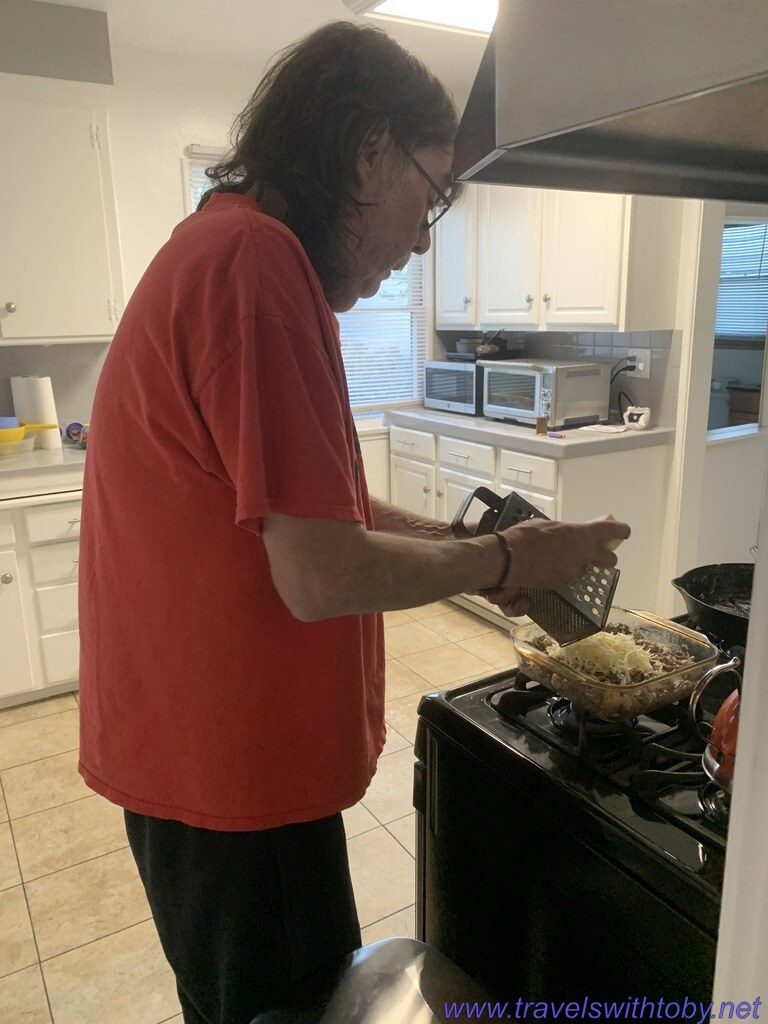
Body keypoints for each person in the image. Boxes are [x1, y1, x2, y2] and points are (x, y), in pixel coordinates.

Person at [77, 19, 629, 1024]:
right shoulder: (255, 267)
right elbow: (320, 574)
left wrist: (466, 546)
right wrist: (504, 555)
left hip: (200, 754)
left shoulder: (229, 248)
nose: (423, 239)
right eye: (433, 194)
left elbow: (301, 511)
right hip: (231, 770)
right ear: (368, 149)